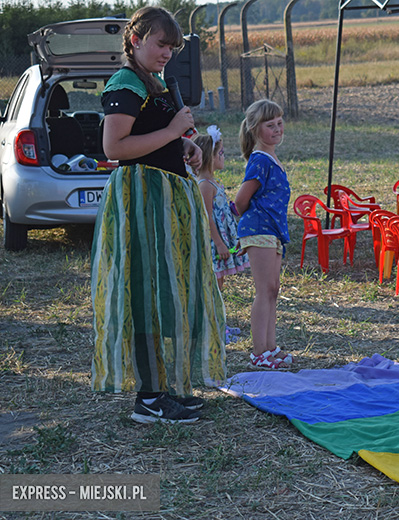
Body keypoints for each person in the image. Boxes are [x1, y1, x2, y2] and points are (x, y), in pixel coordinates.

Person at [91, 7, 226, 424]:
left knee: (166, 291)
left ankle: (163, 388)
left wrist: (182, 147)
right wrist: (170, 133)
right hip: (142, 200)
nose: (167, 52)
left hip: (163, 195)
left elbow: (152, 138)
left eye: (172, 46)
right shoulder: (126, 82)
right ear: (135, 41)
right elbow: (114, 148)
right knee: (146, 293)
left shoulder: (156, 82)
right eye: (160, 44)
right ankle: (149, 400)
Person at [235, 100, 294, 370]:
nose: (277, 128)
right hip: (259, 229)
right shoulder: (259, 160)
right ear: (255, 129)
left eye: (279, 123)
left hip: (274, 231)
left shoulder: (271, 158)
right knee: (263, 290)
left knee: (273, 290)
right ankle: (259, 352)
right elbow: (241, 200)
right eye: (270, 125)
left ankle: (271, 348)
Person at [193, 126, 250, 343]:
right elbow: (206, 217)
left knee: (219, 284)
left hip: (222, 242)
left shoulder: (214, 183)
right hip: (213, 244)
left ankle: (219, 322)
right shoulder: (204, 185)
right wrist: (218, 243)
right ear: (209, 157)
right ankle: (212, 328)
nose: (223, 156)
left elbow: (221, 210)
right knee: (212, 287)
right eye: (221, 153)